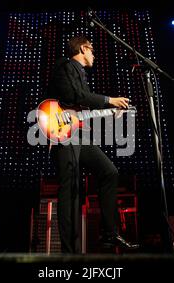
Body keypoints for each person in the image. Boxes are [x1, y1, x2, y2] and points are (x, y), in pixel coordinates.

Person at [47, 35, 138, 253]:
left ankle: (110, 234)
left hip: (78, 134)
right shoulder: (66, 65)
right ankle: (69, 254)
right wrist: (109, 100)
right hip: (63, 133)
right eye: (92, 50)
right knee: (71, 190)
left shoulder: (80, 73)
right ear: (83, 48)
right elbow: (75, 95)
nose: (94, 55)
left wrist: (109, 111)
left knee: (109, 172)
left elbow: (80, 105)